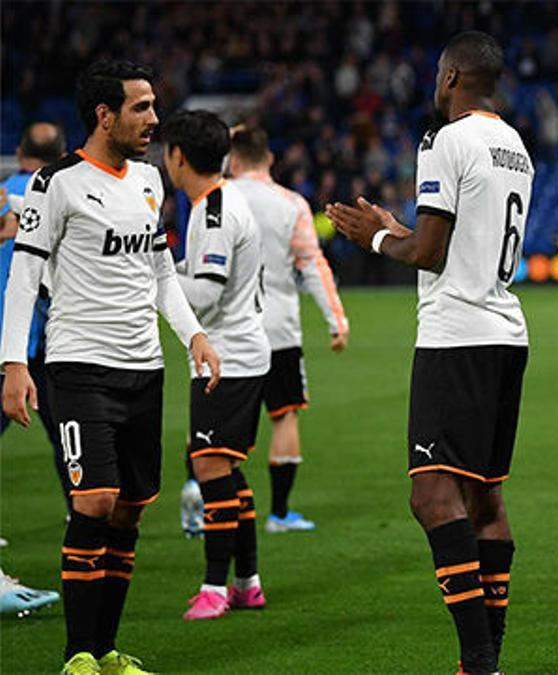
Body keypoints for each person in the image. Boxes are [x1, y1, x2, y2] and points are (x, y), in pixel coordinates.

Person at [1, 60, 220, 675]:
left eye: (153, 106)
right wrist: (15, 363)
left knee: (128, 510)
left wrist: (194, 335)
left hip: (143, 368)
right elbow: (25, 276)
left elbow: (158, 275)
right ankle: (76, 655)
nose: (154, 119)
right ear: (105, 115)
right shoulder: (57, 184)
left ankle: (105, 651)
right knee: (94, 501)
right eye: (141, 107)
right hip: (78, 366)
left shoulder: (149, 181)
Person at [326, 31, 531, 675]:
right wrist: (401, 228)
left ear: (449, 78)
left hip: (456, 336)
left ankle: (477, 660)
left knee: (433, 497)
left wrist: (377, 236)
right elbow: (457, 239)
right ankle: (488, 656)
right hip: (505, 332)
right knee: (486, 500)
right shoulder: (515, 145)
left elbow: (429, 254)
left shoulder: (446, 141)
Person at [185, 126, 349, 537]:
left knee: (212, 419)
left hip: (224, 327)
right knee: (285, 417)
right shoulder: (291, 203)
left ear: (231, 160)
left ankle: (199, 494)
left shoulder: (213, 199)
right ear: (269, 159)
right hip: (278, 328)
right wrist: (336, 321)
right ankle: (279, 513)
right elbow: (313, 264)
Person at [160, 110, 272, 621]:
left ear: (177, 156)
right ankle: (247, 584)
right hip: (240, 351)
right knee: (226, 467)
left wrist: (152, 276)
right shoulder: (219, 204)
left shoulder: (213, 212)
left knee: (209, 468)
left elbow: (204, 295)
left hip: (228, 357)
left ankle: (213, 588)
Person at [1, 123, 69, 498]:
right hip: (44, 339)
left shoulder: (6, 195)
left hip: (8, 336)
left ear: (19, 150)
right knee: (67, 433)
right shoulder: (58, 198)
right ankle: (82, 513)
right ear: (62, 155)